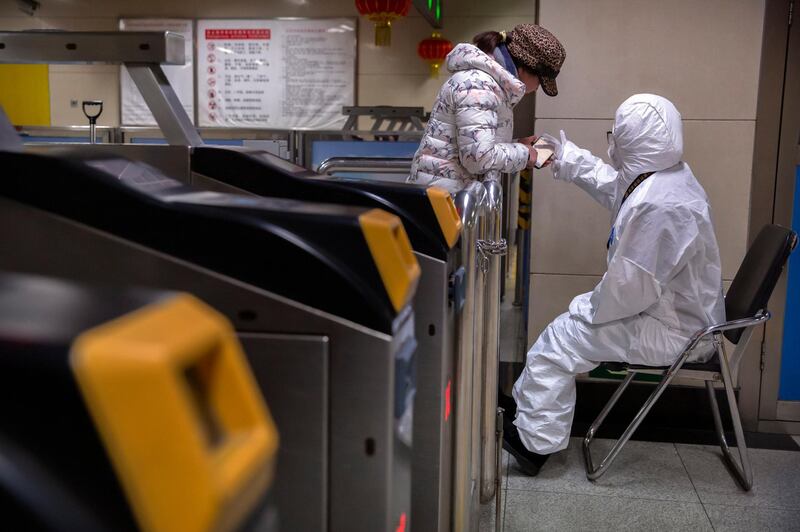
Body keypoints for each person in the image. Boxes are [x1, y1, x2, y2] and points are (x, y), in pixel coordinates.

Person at [503, 94, 725, 476]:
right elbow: (614, 185)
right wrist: (560, 155)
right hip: (676, 314)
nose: (612, 146)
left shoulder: (662, 206)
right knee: (565, 330)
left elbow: (628, 291)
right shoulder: (666, 178)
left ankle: (532, 446)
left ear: (631, 142)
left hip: (677, 331)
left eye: (616, 137)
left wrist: (583, 310)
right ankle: (529, 415)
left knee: (561, 339)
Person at [408, 24, 566, 193]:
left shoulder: (488, 83)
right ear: (525, 68)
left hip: (450, 194)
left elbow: (475, 146)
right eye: (541, 82)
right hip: (441, 201)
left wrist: (516, 145)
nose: (537, 89)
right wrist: (524, 154)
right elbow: (478, 158)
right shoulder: (479, 86)